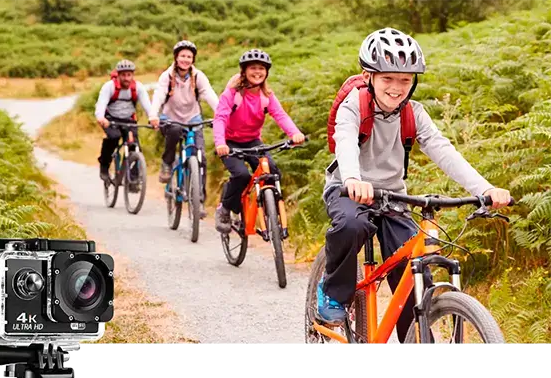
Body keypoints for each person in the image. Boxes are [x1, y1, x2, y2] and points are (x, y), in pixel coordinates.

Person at [318, 27, 512, 343]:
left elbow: (444, 151)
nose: (396, 88)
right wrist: (353, 178)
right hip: (348, 188)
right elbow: (345, 140)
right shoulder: (353, 105)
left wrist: (484, 189)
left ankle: (417, 337)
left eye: (405, 80)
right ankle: (333, 294)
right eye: (387, 79)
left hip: (392, 196)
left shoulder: (413, 113)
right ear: (368, 76)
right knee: (351, 225)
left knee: (412, 267)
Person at [212, 48, 306, 234]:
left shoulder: (266, 96)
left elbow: (281, 116)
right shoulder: (232, 94)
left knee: (271, 170)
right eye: (253, 68)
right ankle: (224, 209)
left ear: (267, 72)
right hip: (230, 143)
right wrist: (220, 143)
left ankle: (273, 212)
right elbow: (220, 118)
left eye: (261, 68)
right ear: (244, 71)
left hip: (253, 141)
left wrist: (295, 134)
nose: (257, 72)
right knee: (241, 175)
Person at [149, 40, 219, 218]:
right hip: (170, 118)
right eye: (183, 56)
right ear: (176, 57)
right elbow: (158, 95)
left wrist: (221, 114)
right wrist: (153, 115)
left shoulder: (198, 76)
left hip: (193, 118)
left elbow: (209, 94)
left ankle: (199, 201)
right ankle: (167, 163)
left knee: (200, 158)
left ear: (193, 59)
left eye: (189, 56)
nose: (186, 59)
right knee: (172, 132)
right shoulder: (167, 76)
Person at [95, 59, 154, 182]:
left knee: (135, 146)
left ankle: (133, 178)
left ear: (132, 75)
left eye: (129, 75)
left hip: (129, 120)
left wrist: (153, 118)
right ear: (118, 75)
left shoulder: (138, 87)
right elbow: (101, 105)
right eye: (123, 75)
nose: (126, 78)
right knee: (113, 138)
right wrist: (101, 118)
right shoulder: (109, 87)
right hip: (111, 119)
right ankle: (104, 166)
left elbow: (148, 106)